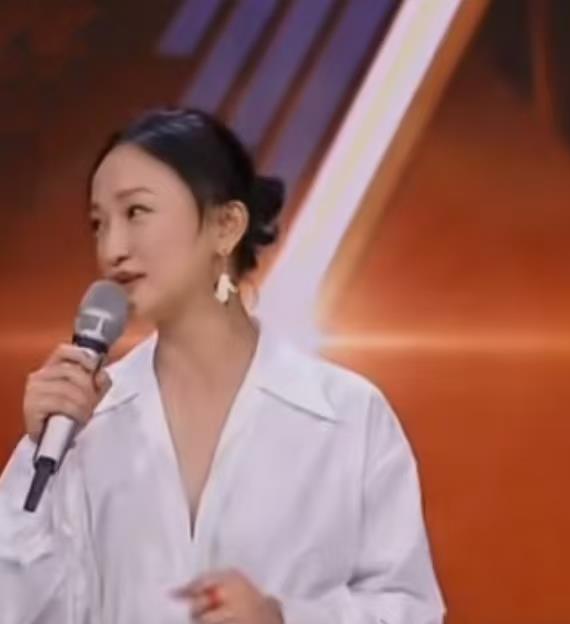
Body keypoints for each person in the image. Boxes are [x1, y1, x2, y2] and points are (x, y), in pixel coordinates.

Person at [0, 108, 445, 623]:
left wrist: (283, 618)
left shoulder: (346, 415)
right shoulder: (82, 423)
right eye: (99, 224)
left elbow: (411, 609)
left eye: (136, 212)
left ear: (226, 226)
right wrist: (38, 455)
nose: (112, 249)